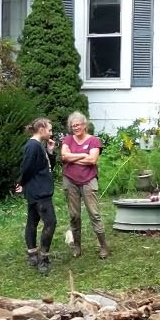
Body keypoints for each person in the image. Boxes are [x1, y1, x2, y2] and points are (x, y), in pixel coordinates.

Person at [59, 111, 108, 259]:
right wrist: (82, 156)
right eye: (73, 126)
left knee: (94, 214)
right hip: (70, 180)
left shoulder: (94, 141)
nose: (75, 128)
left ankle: (103, 246)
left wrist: (72, 159)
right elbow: (63, 156)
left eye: (78, 125)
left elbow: (92, 160)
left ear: (84, 125)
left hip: (88, 180)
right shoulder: (68, 140)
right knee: (74, 215)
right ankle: (77, 246)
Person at [15, 118, 58, 273]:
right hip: (39, 192)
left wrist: (50, 152)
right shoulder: (33, 146)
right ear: (41, 129)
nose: (51, 133)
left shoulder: (38, 146)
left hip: (37, 190)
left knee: (32, 221)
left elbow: (45, 168)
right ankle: (43, 259)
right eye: (50, 130)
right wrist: (21, 183)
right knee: (50, 223)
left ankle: (32, 254)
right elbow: (26, 168)